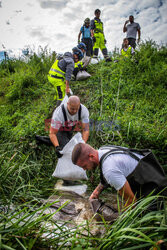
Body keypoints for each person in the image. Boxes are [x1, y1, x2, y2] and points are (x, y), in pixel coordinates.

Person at [72, 143, 167, 209]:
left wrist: (120, 221)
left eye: (84, 166)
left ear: (91, 156)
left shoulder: (109, 169)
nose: (84, 169)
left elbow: (131, 201)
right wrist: (96, 192)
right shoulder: (103, 150)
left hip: (155, 191)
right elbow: (108, 176)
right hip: (152, 174)